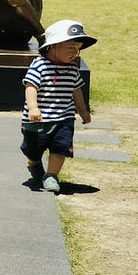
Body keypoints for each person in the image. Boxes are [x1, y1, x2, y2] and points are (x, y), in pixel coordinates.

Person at [21, 18, 95, 193]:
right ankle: (33, 160)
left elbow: (76, 90)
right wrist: (33, 108)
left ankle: (52, 175)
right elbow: (31, 86)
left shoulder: (72, 69)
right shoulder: (39, 65)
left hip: (64, 117)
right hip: (38, 119)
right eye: (70, 48)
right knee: (32, 148)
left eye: (77, 49)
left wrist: (83, 110)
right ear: (53, 45)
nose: (75, 53)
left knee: (61, 147)